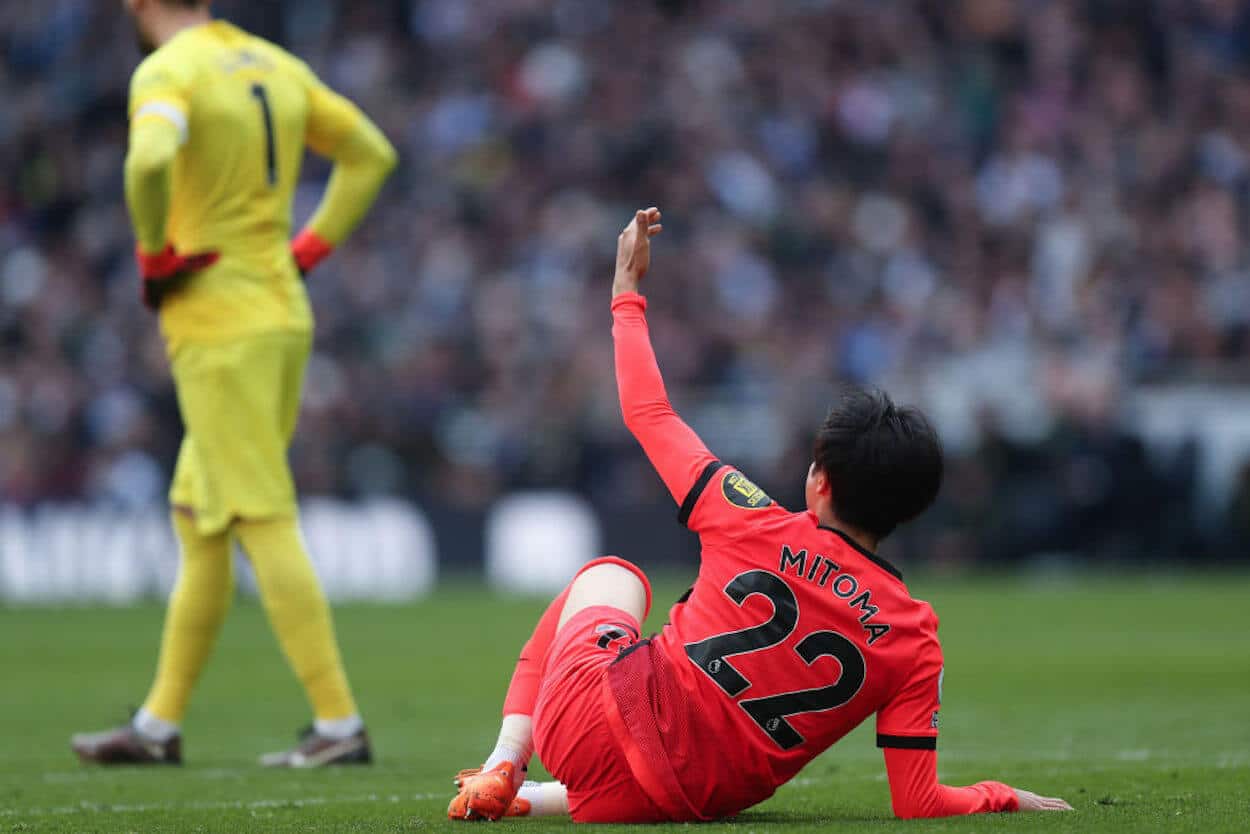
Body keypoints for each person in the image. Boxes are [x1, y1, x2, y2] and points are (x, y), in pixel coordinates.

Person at [448, 209, 1073, 821]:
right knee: (662, 772)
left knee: (612, 574)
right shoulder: (915, 638)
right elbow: (918, 802)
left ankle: (505, 766)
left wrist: (626, 293)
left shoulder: (751, 518)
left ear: (821, 482)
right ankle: (522, 794)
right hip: (693, 800)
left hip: (588, 727)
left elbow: (649, 414)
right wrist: (999, 794)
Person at [71, 0, 397, 767]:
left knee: (259, 512)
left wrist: (154, 253)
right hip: (280, 309)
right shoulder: (272, 63)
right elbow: (371, 153)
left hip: (219, 325)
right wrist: (309, 248)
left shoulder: (168, 70)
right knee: (199, 513)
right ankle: (157, 727)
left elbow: (149, 161)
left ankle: (338, 724)